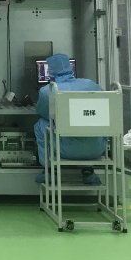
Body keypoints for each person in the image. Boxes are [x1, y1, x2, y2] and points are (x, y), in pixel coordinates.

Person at [34, 53, 107, 185]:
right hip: (96, 148)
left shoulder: (48, 90)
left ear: (50, 72)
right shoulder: (91, 85)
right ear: (70, 68)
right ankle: (88, 171)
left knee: (41, 124)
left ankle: (49, 171)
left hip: (65, 150)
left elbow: (42, 112)